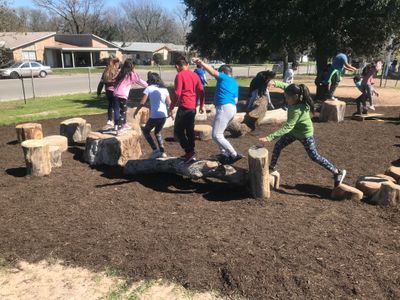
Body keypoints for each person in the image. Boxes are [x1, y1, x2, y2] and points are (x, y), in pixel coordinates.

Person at [259, 83, 346, 188]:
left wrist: (269, 137)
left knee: (314, 156)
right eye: (285, 96)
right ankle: (272, 167)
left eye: (287, 97)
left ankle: (337, 172)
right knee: (278, 145)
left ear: (295, 97)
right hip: (294, 132)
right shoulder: (297, 93)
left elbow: (288, 127)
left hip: (305, 134)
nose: (286, 99)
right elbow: (286, 86)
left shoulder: (297, 110)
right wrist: (275, 83)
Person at [193, 58, 243, 165]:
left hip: (224, 107)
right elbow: (236, 100)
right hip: (232, 109)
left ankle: (233, 154)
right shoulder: (234, 83)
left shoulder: (224, 77)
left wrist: (201, 63)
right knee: (219, 134)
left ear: (224, 72)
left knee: (216, 135)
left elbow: (212, 71)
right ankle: (224, 154)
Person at [170, 57, 205, 162]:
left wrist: (171, 107)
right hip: (192, 107)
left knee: (178, 131)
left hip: (184, 107)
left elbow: (177, 93)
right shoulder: (195, 75)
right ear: (187, 65)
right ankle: (191, 152)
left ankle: (189, 151)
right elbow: (201, 90)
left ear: (177, 66)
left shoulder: (179, 75)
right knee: (190, 130)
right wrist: (202, 105)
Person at [134, 72, 171, 159]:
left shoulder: (149, 88)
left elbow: (142, 102)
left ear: (150, 80)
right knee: (157, 132)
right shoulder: (164, 89)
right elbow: (169, 103)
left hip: (154, 116)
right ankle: (162, 151)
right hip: (163, 116)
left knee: (146, 131)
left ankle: (155, 150)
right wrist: (171, 113)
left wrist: (136, 111)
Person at [113, 59, 148, 135]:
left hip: (116, 94)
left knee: (120, 110)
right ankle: (119, 129)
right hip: (122, 95)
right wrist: (148, 85)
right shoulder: (131, 74)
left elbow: (114, 81)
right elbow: (139, 81)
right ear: (132, 66)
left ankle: (123, 125)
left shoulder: (121, 72)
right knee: (123, 111)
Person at [101, 56, 120, 126]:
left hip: (108, 91)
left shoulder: (106, 70)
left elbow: (102, 80)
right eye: (118, 64)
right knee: (116, 107)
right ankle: (116, 124)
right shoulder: (116, 71)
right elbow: (118, 80)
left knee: (110, 105)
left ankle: (109, 119)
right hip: (114, 91)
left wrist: (99, 90)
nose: (119, 65)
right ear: (115, 64)